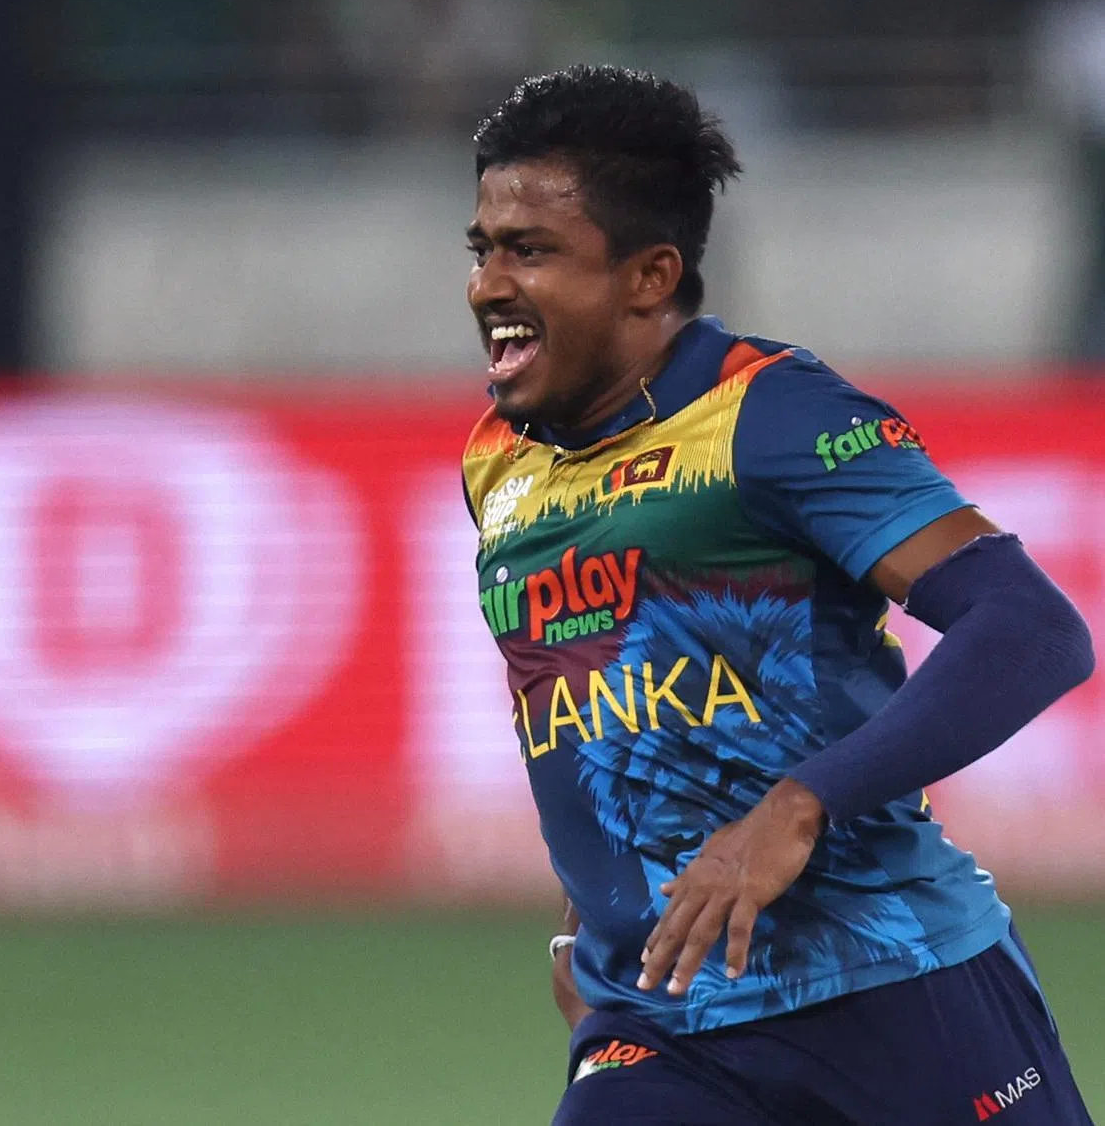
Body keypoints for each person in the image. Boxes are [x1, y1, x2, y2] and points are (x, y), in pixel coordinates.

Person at [460, 65, 1096, 1125]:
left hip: (895, 987)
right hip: (659, 1023)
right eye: (481, 248)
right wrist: (587, 921)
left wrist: (800, 805)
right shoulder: (497, 463)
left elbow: (1032, 629)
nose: (488, 284)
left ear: (650, 276)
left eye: (530, 251)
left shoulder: (773, 416)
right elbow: (586, 709)